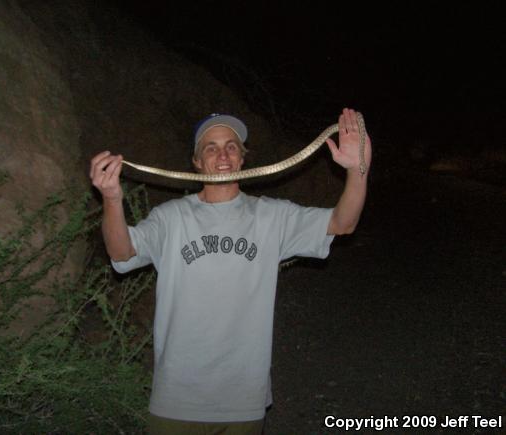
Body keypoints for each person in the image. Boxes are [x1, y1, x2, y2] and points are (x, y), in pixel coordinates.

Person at [89, 108, 371, 434]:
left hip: (242, 399)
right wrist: (111, 199)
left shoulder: (271, 217)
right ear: (196, 161)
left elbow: (342, 223)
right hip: (176, 398)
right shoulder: (171, 218)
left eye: (231, 146)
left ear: (242, 158)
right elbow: (122, 251)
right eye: (210, 147)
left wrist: (358, 170)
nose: (222, 154)